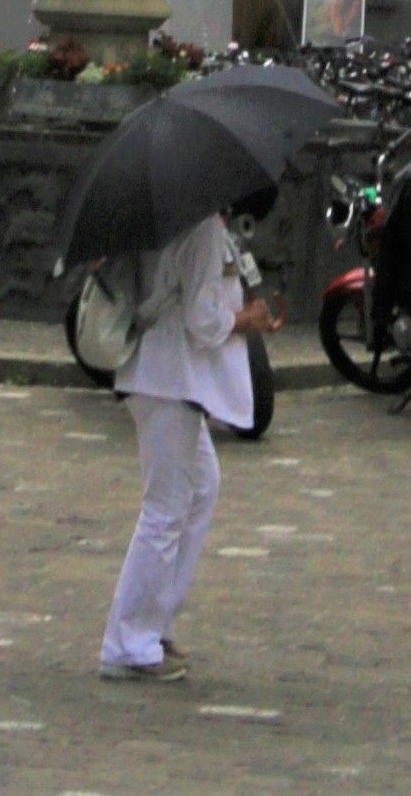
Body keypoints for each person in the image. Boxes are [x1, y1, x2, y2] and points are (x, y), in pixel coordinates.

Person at [98, 209, 279, 685]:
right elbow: (203, 319)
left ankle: (155, 623)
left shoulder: (172, 222)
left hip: (162, 378)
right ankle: (129, 644)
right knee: (164, 509)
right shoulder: (201, 229)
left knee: (201, 487)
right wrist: (245, 319)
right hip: (169, 380)